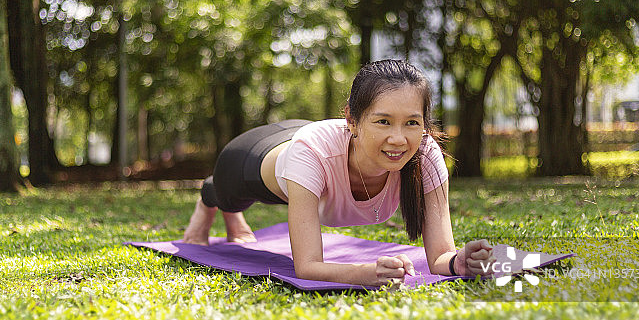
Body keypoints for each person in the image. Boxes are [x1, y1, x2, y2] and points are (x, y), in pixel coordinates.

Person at [182, 59, 494, 287]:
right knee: (227, 196)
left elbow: (440, 257)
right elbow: (307, 267)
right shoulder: (312, 152)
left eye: (412, 122)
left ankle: (233, 218)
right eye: (383, 121)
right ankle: (210, 199)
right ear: (352, 120)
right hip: (253, 157)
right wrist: (364, 273)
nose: (399, 139)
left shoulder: (425, 155)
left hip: (312, 143)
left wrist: (459, 262)